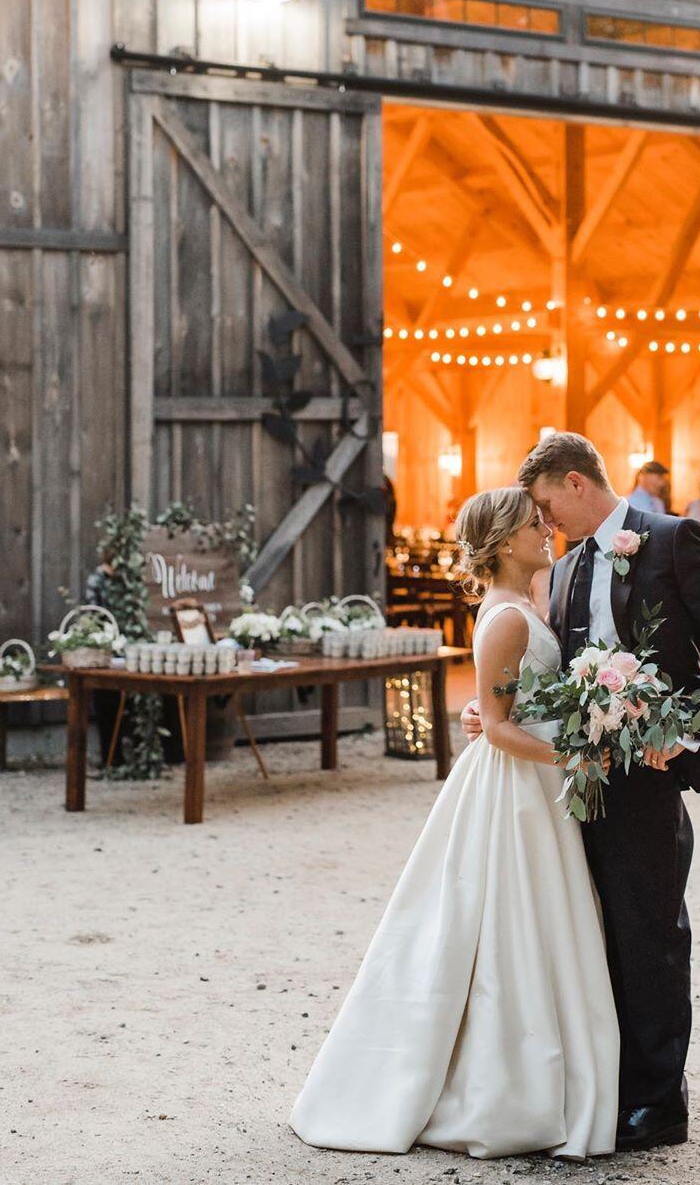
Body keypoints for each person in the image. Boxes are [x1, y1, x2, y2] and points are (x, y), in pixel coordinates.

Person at [289, 487, 618, 1161]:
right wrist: (579, 755)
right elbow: (494, 728)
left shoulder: (527, 606)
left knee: (533, 925)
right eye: (534, 524)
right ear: (502, 543)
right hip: (515, 789)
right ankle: (500, 1087)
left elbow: (499, 709)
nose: (546, 529)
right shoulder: (506, 620)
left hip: (534, 784)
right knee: (509, 927)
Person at [462, 433, 700, 1152]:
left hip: (646, 778)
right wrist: (492, 709)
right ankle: (611, 1083)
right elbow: (556, 674)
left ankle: (659, 1105)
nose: (543, 522)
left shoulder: (670, 537)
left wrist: (687, 733)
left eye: (542, 506)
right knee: (595, 936)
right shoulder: (559, 571)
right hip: (572, 782)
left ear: (573, 482)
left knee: (652, 934)